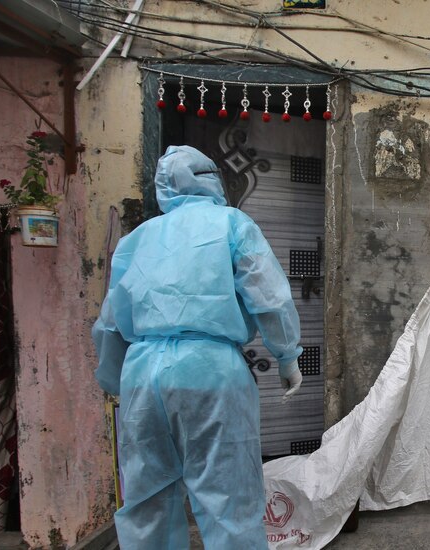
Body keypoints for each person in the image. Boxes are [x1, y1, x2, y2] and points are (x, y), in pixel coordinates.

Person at [92, 145, 303, 549]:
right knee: (229, 499)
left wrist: (115, 379)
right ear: (212, 180)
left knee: (146, 500)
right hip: (211, 371)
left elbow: (109, 322)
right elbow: (270, 297)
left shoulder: (136, 240)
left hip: (141, 372)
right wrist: (287, 355)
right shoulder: (232, 224)